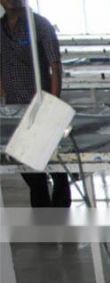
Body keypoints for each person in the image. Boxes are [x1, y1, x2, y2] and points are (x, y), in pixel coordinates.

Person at [0, 0, 69, 207]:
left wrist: (53, 104)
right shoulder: (0, 28)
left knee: (55, 166)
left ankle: (61, 214)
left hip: (41, 106)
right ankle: (43, 215)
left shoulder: (40, 25)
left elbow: (55, 66)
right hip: (14, 108)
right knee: (28, 169)